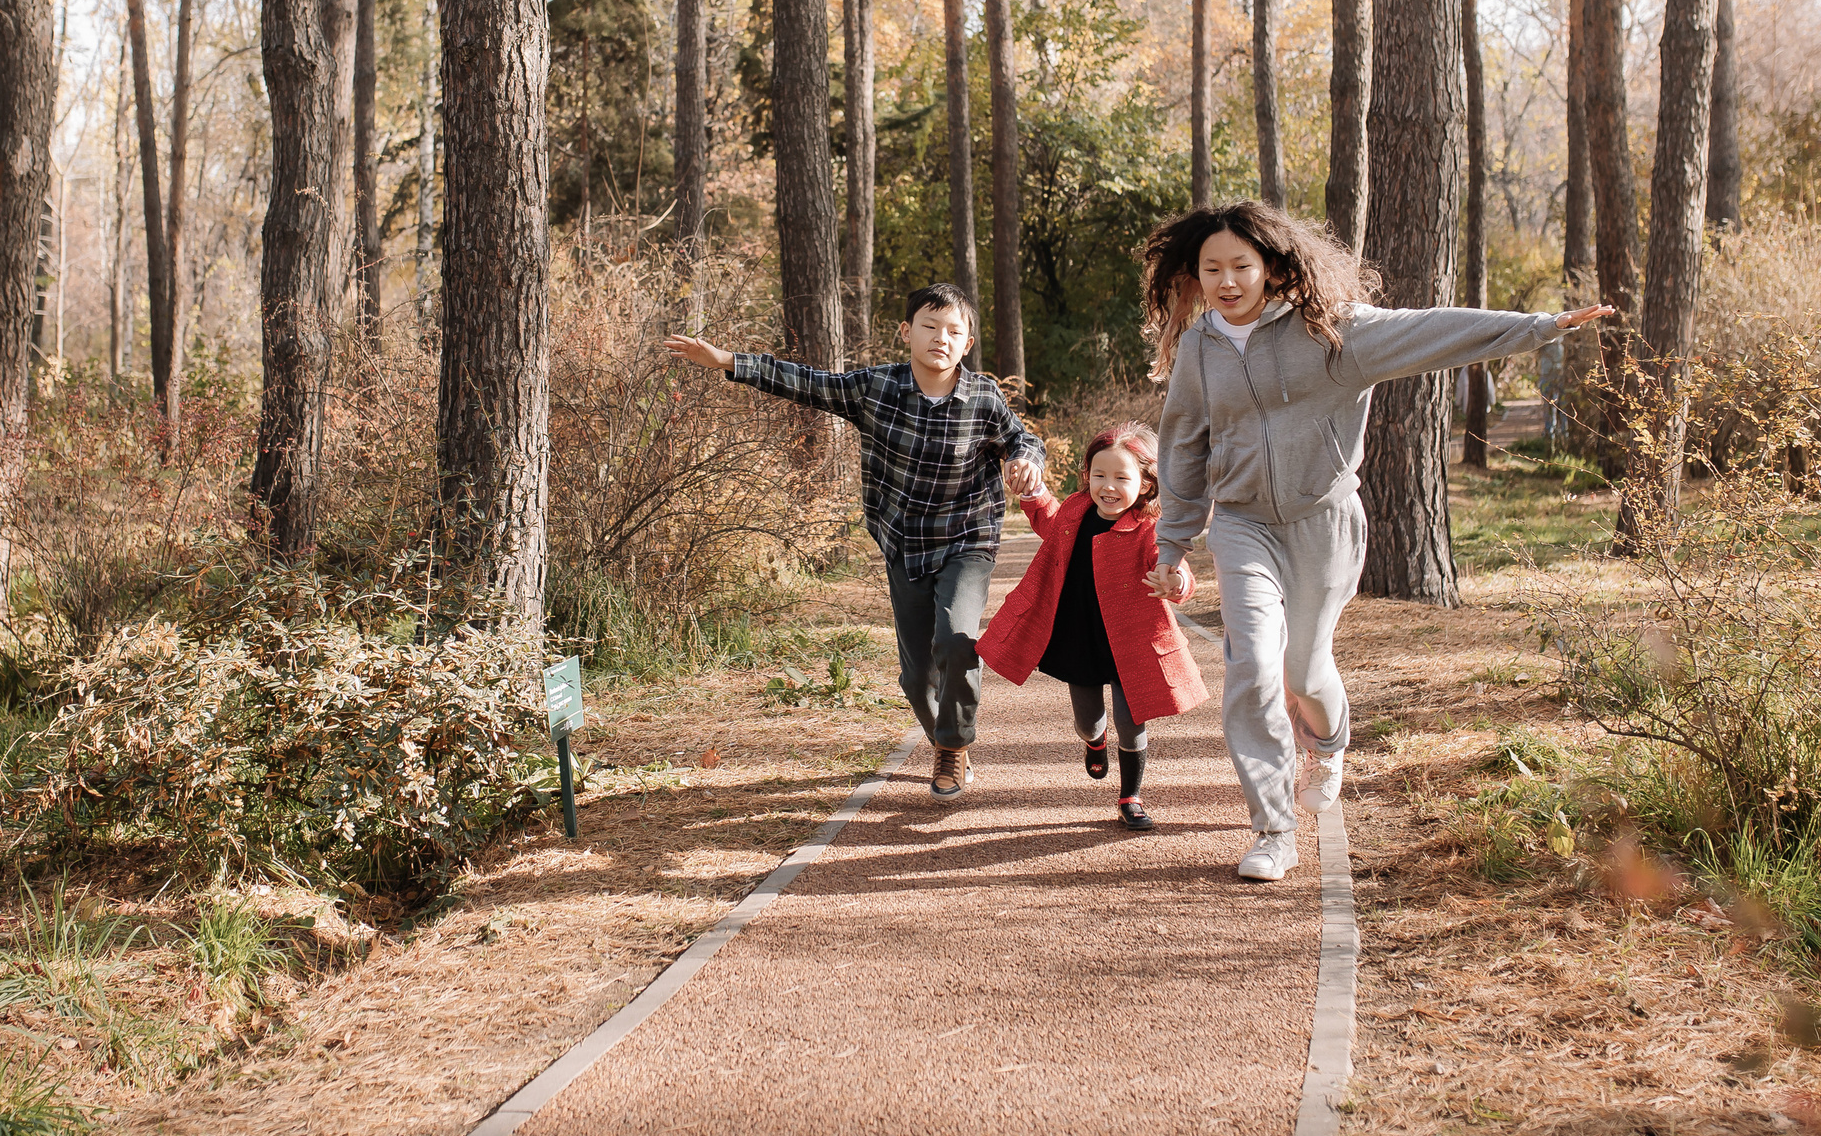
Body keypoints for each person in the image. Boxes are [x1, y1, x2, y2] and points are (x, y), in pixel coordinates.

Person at [1140, 201, 1611, 882]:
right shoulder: (1199, 349)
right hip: (1243, 524)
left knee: (1304, 671)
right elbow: (1184, 442)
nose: (1227, 281)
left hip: (1324, 522)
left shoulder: (1332, 332)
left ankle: (1328, 741)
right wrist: (1173, 543)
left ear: (1272, 266)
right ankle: (1274, 830)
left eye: (1241, 265)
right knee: (1254, 669)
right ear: (1196, 275)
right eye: (1212, 269)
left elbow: (1433, 331)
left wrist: (1537, 328)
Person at [664, 284, 1046, 799]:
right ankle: (943, 733)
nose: (941, 338)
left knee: (957, 641)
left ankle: (952, 747)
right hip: (903, 542)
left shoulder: (983, 397)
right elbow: (808, 383)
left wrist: (1026, 461)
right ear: (907, 332)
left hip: (966, 538)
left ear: (968, 343)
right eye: (930, 326)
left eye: (954, 331)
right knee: (916, 680)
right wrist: (729, 361)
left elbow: (1022, 439)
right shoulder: (876, 388)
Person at [976, 423, 1208, 832]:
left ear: (1147, 484)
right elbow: (1049, 521)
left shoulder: (1150, 529)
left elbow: (1173, 566)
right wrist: (1032, 491)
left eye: (1122, 477)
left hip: (1132, 642)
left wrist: (1175, 581)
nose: (1108, 486)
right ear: (1087, 475)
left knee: (1130, 721)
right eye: (1099, 475)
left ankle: (1130, 797)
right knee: (1089, 720)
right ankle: (1094, 742)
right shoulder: (1076, 510)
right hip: (1079, 634)